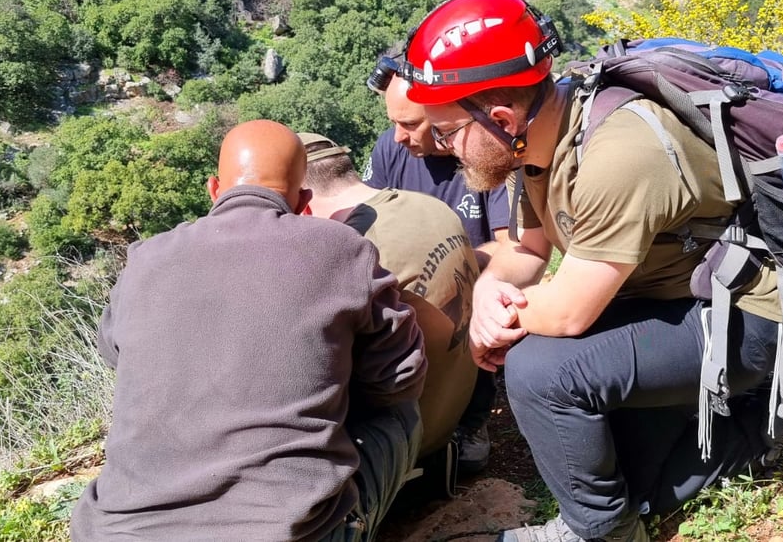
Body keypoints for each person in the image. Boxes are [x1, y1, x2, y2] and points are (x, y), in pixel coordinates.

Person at [399, 0, 783, 542]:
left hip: (736, 320)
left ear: (501, 116)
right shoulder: (537, 145)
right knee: (632, 483)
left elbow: (571, 313)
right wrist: (489, 292)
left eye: (447, 132)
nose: (441, 148)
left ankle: (599, 534)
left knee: (538, 369)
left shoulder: (620, 151)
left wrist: (501, 321)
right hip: (661, 311)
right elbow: (527, 251)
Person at [71, 120, 427, 542]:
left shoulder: (144, 259)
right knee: (400, 415)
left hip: (115, 532)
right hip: (284, 532)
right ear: (305, 203)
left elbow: (116, 356)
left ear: (213, 189)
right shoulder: (341, 247)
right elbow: (400, 380)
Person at [363, 69, 511, 473]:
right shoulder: (392, 149)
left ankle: (470, 420)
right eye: (394, 121)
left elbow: (509, 247)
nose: (398, 136)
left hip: (467, 286)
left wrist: (453, 263)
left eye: (411, 124)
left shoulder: (485, 150)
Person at [300, 131, 478, 466]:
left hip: (400, 460)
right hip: (449, 425)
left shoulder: (354, 255)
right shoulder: (431, 207)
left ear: (303, 205)